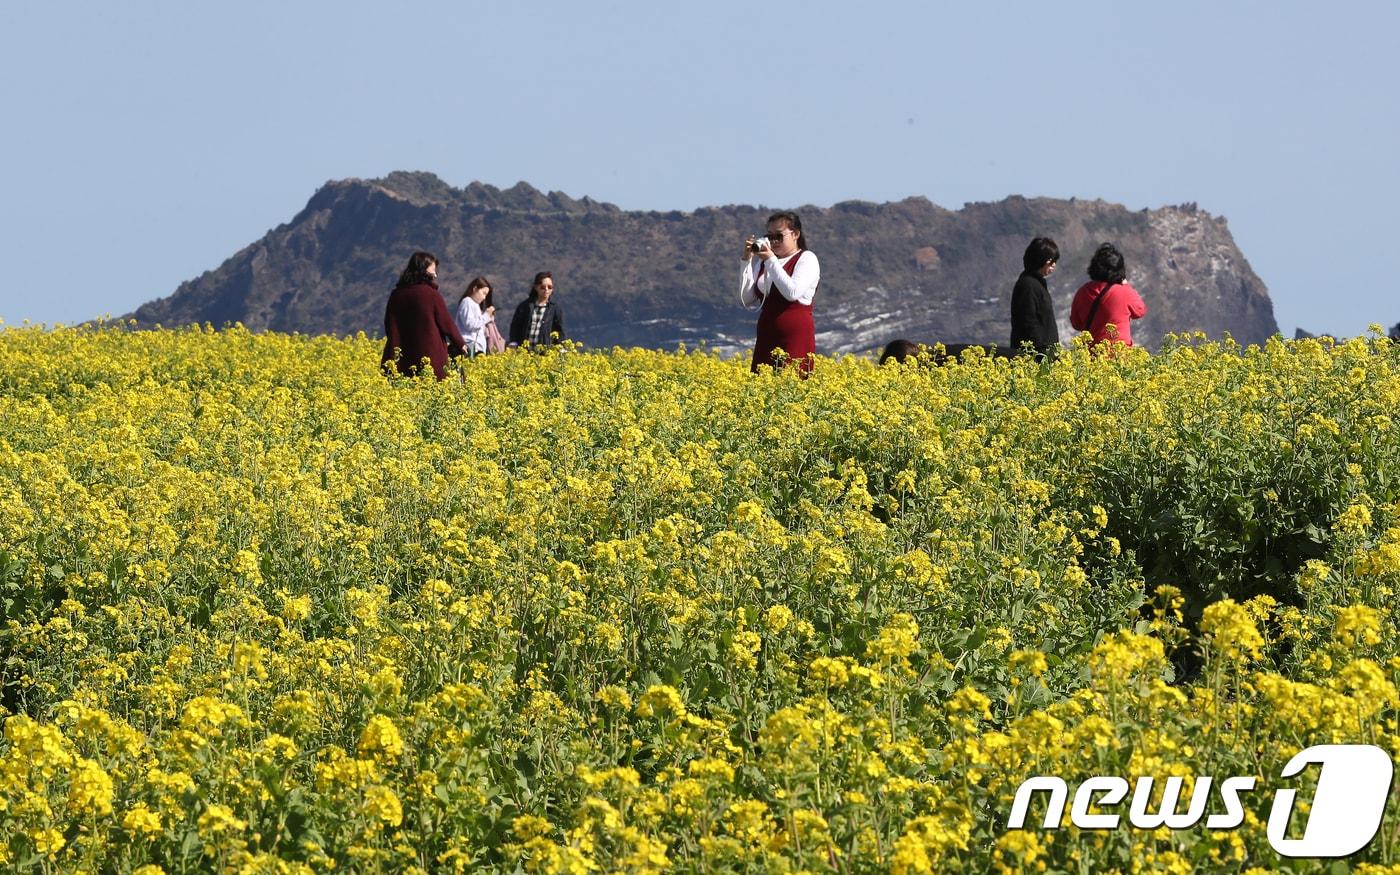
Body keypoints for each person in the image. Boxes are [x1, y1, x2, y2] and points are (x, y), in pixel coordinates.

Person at [740, 211, 820, 374]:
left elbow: (792, 292)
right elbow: (747, 298)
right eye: (770, 236)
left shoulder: (806, 258)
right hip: (767, 335)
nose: (774, 241)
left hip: (794, 335)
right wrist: (746, 260)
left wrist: (770, 260)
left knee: (792, 384)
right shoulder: (765, 263)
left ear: (795, 234)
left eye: (779, 236)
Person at [381, 251, 466, 379]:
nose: (436, 275)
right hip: (430, 356)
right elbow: (446, 323)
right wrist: (460, 343)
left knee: (405, 391)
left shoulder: (396, 295)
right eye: (433, 271)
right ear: (423, 270)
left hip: (402, 358)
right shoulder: (431, 295)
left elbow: (389, 323)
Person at [1070, 243, 1147, 347]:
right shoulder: (1124, 292)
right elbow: (1140, 311)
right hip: (1119, 356)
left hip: (1091, 356)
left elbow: (1076, 323)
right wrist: (1126, 284)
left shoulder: (1083, 292)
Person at [1010, 237, 1061, 357]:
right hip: (1034, 356)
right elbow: (1028, 322)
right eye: (1051, 261)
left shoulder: (1036, 284)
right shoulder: (1028, 285)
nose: (1053, 265)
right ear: (1040, 260)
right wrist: (1041, 351)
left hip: (1044, 355)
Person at [508, 271, 567, 348]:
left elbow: (560, 331)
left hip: (544, 354)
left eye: (549, 287)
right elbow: (515, 326)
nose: (546, 290)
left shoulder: (555, 309)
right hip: (524, 352)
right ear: (536, 287)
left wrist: (561, 347)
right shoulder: (525, 306)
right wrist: (513, 342)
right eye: (543, 287)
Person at [454, 277, 499, 357]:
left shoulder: (475, 305)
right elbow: (470, 325)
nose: (484, 297)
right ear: (475, 289)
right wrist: (486, 315)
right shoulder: (467, 302)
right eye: (483, 293)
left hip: (476, 349)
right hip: (469, 347)